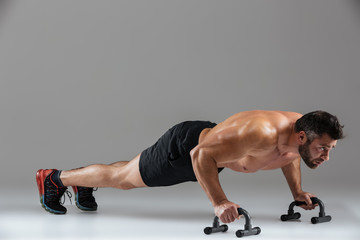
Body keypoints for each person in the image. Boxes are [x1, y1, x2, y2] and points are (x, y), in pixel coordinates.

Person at [36, 110, 344, 223]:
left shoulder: (298, 134)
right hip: (187, 149)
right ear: (302, 136)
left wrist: (298, 190)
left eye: (329, 150)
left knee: (126, 171)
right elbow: (200, 155)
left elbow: (290, 157)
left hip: (213, 147)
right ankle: (55, 178)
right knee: (123, 178)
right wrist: (219, 202)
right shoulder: (260, 134)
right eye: (322, 149)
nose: (324, 156)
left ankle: (83, 183)